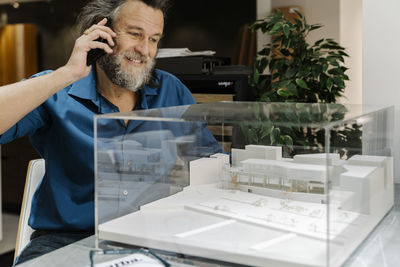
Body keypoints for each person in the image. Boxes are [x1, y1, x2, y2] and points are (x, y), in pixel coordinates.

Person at [0, 0, 203, 264]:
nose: (145, 50)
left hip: (150, 238)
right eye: (135, 34)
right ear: (101, 32)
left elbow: (207, 163)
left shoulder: (171, 90)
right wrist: (67, 73)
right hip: (67, 240)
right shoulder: (58, 90)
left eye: (154, 39)